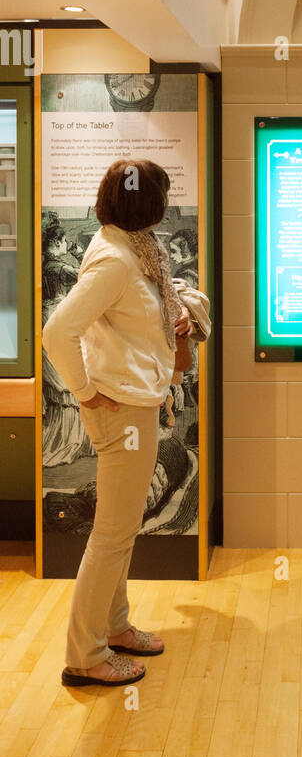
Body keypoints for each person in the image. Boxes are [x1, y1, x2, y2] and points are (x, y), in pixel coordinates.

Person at [43, 159, 197, 687]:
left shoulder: (133, 250)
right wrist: (85, 393)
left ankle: (114, 627)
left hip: (134, 403)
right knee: (111, 534)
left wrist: (175, 314)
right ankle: (85, 655)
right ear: (147, 206)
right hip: (122, 408)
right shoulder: (116, 259)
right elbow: (56, 332)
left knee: (120, 527)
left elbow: (130, 318)